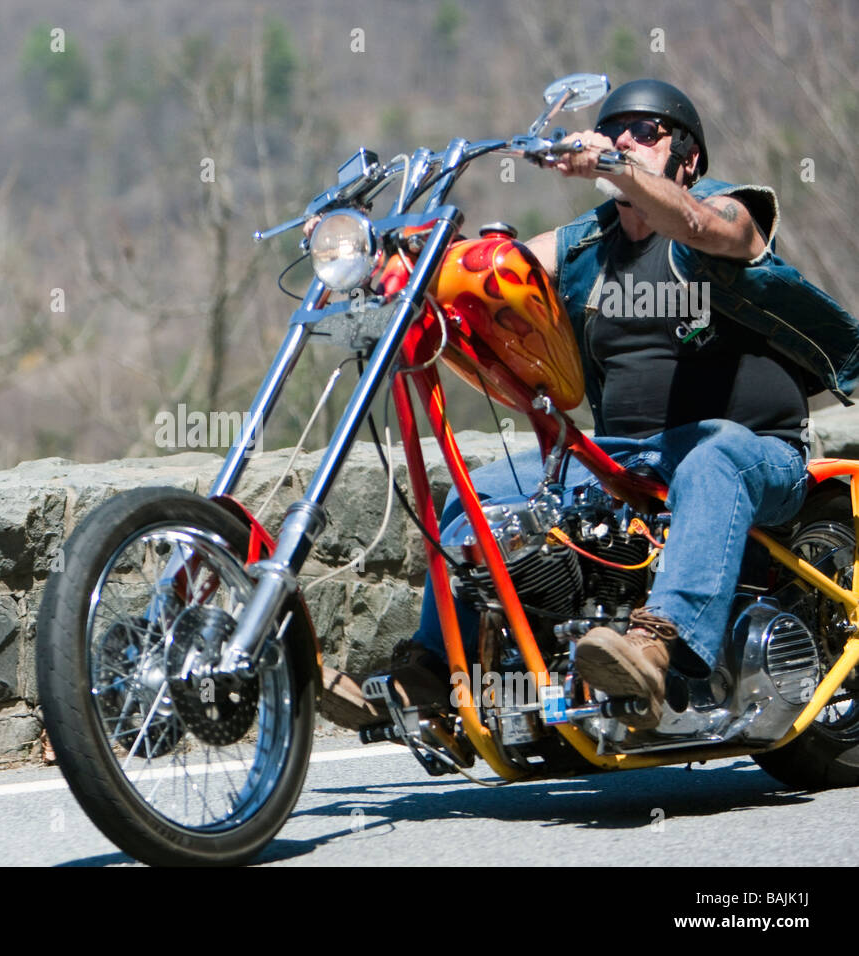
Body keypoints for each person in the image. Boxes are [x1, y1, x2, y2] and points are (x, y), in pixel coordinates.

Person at [321, 78, 859, 731]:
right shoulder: (586, 243)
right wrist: (382, 262)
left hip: (751, 451)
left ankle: (655, 649)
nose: (624, 140)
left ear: (687, 159)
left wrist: (610, 163)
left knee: (709, 465)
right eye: (613, 132)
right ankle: (434, 673)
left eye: (645, 132)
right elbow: (497, 268)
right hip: (623, 461)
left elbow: (710, 229)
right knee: (473, 493)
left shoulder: (725, 212)